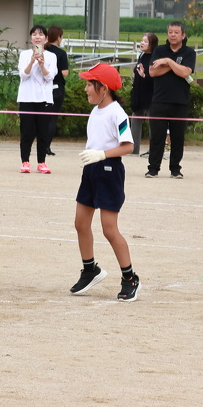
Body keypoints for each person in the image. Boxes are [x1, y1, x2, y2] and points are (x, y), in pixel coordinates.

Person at [70, 63, 139, 301]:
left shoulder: (117, 113)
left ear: (104, 88)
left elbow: (128, 146)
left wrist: (101, 154)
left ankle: (130, 278)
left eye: (90, 84)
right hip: (91, 170)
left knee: (109, 229)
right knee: (80, 224)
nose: (86, 89)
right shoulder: (96, 110)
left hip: (109, 171)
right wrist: (94, 157)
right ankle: (90, 269)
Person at [146, 21, 195, 179]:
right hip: (159, 100)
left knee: (178, 137)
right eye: (170, 32)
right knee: (157, 137)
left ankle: (175, 169)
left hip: (180, 101)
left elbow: (185, 72)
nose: (173, 35)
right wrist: (174, 65)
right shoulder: (159, 50)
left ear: (183, 35)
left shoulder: (189, 52)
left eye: (176, 32)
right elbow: (153, 72)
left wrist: (167, 62)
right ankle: (153, 168)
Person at [17, 24, 58, 174]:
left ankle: (41, 162)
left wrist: (41, 64)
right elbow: (23, 75)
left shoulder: (52, 56)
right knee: (26, 131)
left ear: (46, 38)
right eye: (34, 34)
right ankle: (25, 161)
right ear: (31, 38)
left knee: (43, 132)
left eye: (41, 34)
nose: (37, 37)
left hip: (44, 99)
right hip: (27, 98)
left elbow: (49, 77)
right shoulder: (24, 54)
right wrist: (32, 61)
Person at [129, 32, 158, 157]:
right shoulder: (141, 55)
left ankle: (153, 151)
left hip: (152, 95)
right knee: (135, 121)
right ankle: (133, 149)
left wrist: (145, 76)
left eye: (145, 41)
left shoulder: (156, 58)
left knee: (153, 124)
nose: (142, 43)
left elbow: (156, 78)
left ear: (152, 44)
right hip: (139, 94)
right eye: (142, 40)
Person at [44, 25, 69, 156]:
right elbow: (65, 73)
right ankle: (46, 147)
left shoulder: (43, 50)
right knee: (52, 119)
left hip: (42, 87)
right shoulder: (61, 53)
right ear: (59, 37)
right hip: (56, 88)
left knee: (41, 117)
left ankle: (38, 144)